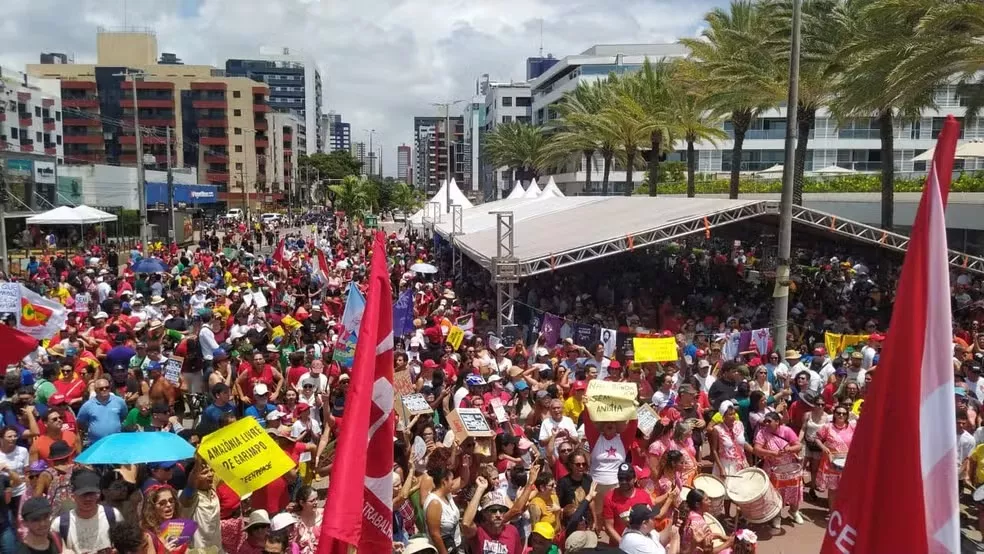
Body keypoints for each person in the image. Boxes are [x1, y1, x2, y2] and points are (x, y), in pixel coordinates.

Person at [460, 472, 539, 554]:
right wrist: (480, 489)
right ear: (484, 513)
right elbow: (466, 523)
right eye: (493, 510)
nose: (498, 514)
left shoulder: (512, 531)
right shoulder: (478, 532)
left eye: (501, 510)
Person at [753, 412, 804, 527]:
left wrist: (789, 450)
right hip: (772, 468)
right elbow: (757, 449)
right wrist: (772, 453)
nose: (766, 423)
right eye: (765, 421)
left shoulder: (787, 430)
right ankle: (777, 515)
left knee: (794, 489)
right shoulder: (762, 433)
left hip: (790, 466)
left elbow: (798, 445)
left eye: (769, 421)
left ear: (777, 422)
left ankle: (794, 511)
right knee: (776, 492)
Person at [50, 470, 121, 553]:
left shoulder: (113, 515)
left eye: (91, 494)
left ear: (98, 494)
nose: (88, 499)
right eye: (83, 494)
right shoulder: (59, 524)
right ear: (73, 496)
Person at [815, 404, 857, 510]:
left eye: (844, 413)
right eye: (838, 413)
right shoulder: (827, 427)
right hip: (832, 462)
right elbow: (817, 438)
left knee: (847, 489)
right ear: (834, 414)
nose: (841, 415)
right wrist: (823, 448)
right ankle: (832, 512)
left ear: (847, 415)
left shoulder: (852, 427)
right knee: (833, 489)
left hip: (848, 463)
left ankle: (844, 512)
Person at [679, 489, 733, 554]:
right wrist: (729, 543)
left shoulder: (689, 514)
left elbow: (704, 537)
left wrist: (719, 536)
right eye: (706, 500)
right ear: (697, 504)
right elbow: (708, 552)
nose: (710, 501)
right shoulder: (701, 524)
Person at [76, 378, 127, 445]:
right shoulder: (87, 405)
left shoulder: (119, 401)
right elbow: (80, 422)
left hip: (116, 442)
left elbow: (123, 416)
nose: (104, 389)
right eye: (101, 388)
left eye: (107, 387)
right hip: (96, 443)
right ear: (96, 390)